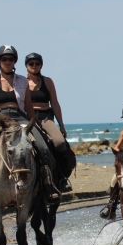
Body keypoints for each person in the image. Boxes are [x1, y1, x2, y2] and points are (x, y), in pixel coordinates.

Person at [0, 46, 61, 211]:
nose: (7, 62)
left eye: (10, 59)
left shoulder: (22, 81)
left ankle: (48, 185)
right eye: (4, 59)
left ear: (15, 61)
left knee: (43, 148)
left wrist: (32, 123)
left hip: (20, 118)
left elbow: (28, 106)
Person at [25, 52, 75, 191]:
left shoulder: (48, 81)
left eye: (37, 63)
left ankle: (63, 177)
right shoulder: (21, 82)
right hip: (27, 118)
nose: (34, 66)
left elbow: (55, 103)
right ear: (26, 66)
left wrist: (61, 124)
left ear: (41, 65)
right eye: (31, 63)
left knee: (59, 142)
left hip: (45, 117)